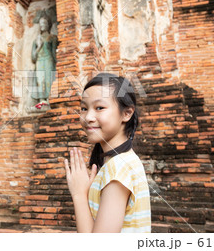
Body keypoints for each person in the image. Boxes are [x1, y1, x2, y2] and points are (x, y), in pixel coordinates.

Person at [63, 72, 151, 232]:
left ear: (127, 113)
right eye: (84, 108)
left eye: (100, 108)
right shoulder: (120, 162)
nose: (88, 117)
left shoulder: (118, 168)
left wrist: (79, 195)